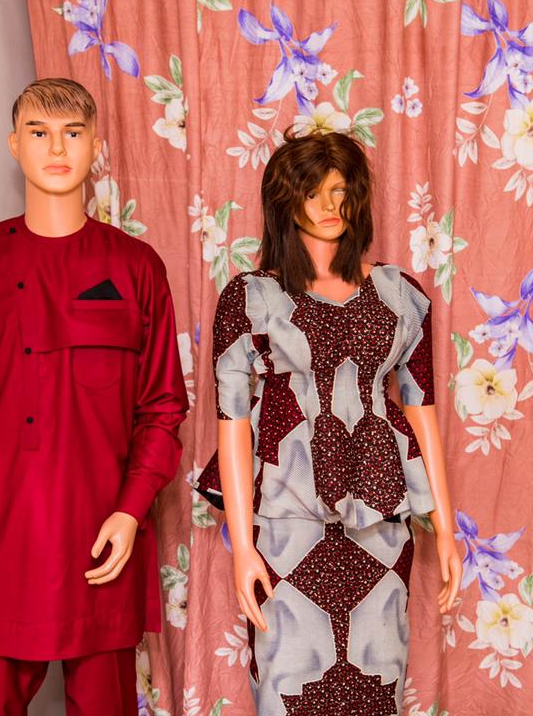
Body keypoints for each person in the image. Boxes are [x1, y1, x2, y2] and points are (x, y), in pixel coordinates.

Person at [0, 78, 189, 715]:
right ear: (15, 145)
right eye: (39, 132)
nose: (56, 148)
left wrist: (131, 509)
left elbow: (162, 406)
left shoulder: (137, 267)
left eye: (72, 133)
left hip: (100, 537)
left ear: (96, 147)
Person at [196, 132, 461, 715]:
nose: (328, 205)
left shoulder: (399, 295)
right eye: (312, 192)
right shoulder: (250, 298)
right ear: (285, 201)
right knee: (287, 682)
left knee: (378, 683)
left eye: (339, 191)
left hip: (381, 522)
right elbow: (231, 422)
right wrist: (243, 547)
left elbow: (421, 408)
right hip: (284, 521)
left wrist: (445, 527)